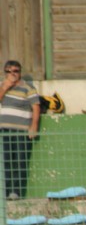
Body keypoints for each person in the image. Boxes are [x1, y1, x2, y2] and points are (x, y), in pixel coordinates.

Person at [0, 60, 40, 200]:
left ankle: (15, 191)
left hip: (21, 129)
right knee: (5, 161)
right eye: (9, 71)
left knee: (20, 160)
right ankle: (4, 192)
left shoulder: (28, 88)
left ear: (20, 72)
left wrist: (33, 126)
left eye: (15, 71)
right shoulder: (2, 86)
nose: (12, 74)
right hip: (4, 129)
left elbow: (36, 107)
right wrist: (5, 88)